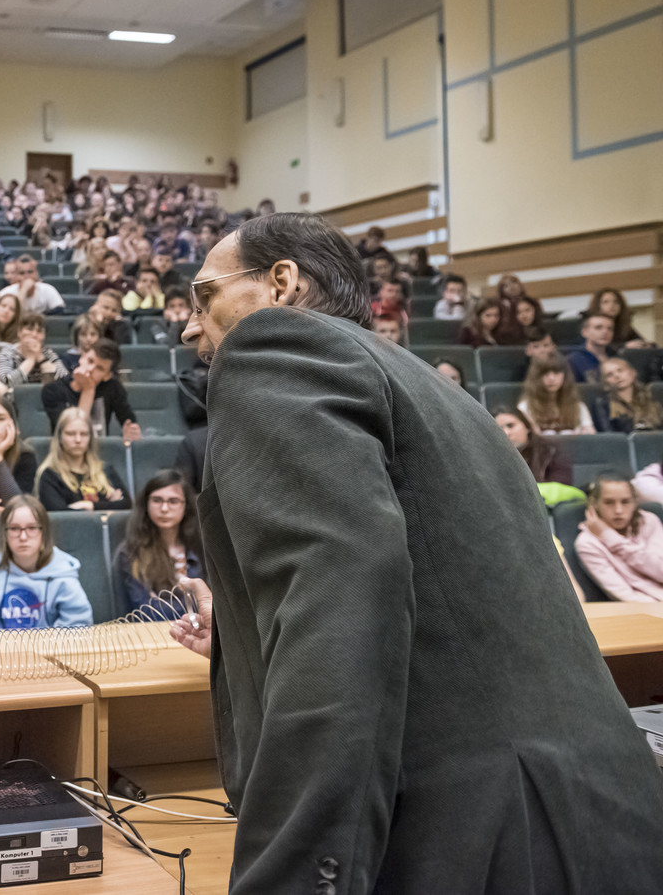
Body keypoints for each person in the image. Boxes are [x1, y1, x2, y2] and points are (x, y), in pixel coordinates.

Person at [171, 210, 663, 891]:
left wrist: (298, 875)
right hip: (600, 813)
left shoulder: (274, 347)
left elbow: (341, 606)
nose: (189, 327)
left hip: (476, 831)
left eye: (205, 295)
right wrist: (245, 628)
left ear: (281, 283)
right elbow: (437, 589)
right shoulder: (439, 391)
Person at [0, 495, 90, 630]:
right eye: (14, 528)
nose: (23, 537)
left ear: (43, 532)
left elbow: (78, 628)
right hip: (4, 645)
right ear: (4, 533)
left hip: (56, 644)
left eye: (32, 528)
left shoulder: (63, 573)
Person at [110, 469, 202, 619]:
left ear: (186, 506)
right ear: (146, 504)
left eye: (173, 501)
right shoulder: (130, 552)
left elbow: (216, 606)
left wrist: (163, 604)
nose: (164, 509)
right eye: (157, 500)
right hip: (153, 632)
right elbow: (146, 612)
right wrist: (194, 604)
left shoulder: (201, 547)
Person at [575, 475, 663, 601]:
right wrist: (608, 536)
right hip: (646, 609)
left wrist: (614, 540)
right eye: (609, 502)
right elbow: (625, 595)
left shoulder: (649, 521)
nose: (618, 510)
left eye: (625, 502)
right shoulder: (587, 543)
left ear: (635, 502)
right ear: (594, 504)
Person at [41, 342, 141, 443]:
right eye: (90, 361)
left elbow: (129, 422)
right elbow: (76, 437)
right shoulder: (53, 390)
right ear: (82, 358)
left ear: (107, 376)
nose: (90, 369)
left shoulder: (113, 388)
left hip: (100, 449)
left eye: (100, 368)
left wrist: (132, 432)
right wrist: (88, 390)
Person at [36, 407, 132, 513]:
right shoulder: (50, 475)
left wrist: (90, 505)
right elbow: (60, 515)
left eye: (84, 434)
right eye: (70, 434)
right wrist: (108, 504)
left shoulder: (105, 469)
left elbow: (126, 505)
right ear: (59, 437)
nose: (78, 440)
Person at [493, 407, 573, 485]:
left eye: (511, 425)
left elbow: (560, 487)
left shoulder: (552, 451)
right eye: (500, 429)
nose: (506, 433)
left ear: (527, 426)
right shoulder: (494, 458)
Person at [518, 355, 594, 434]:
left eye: (556, 372)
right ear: (536, 377)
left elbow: (589, 435)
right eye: (545, 373)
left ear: (565, 375)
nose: (551, 378)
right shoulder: (525, 407)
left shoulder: (578, 407)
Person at [591, 356, 661, 433]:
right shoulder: (603, 404)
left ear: (633, 372)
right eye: (609, 375)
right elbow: (608, 434)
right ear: (605, 382)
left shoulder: (650, 395)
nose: (617, 376)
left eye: (620, 370)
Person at [0, 312, 62, 389]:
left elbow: (63, 382)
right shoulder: (7, 353)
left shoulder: (48, 354)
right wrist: (30, 359)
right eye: (30, 329)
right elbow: (5, 383)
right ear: (19, 332)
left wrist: (40, 358)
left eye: (39, 331)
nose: (34, 335)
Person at [0, 255, 65, 315]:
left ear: (37, 274)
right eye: (22, 273)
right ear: (16, 276)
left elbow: (59, 310)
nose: (26, 276)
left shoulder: (48, 289)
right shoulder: (5, 293)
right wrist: (24, 290)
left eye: (30, 272)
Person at [565, 311, 616, 383]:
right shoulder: (573, 360)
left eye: (610, 328)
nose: (605, 332)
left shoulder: (617, 356)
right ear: (584, 332)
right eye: (598, 327)